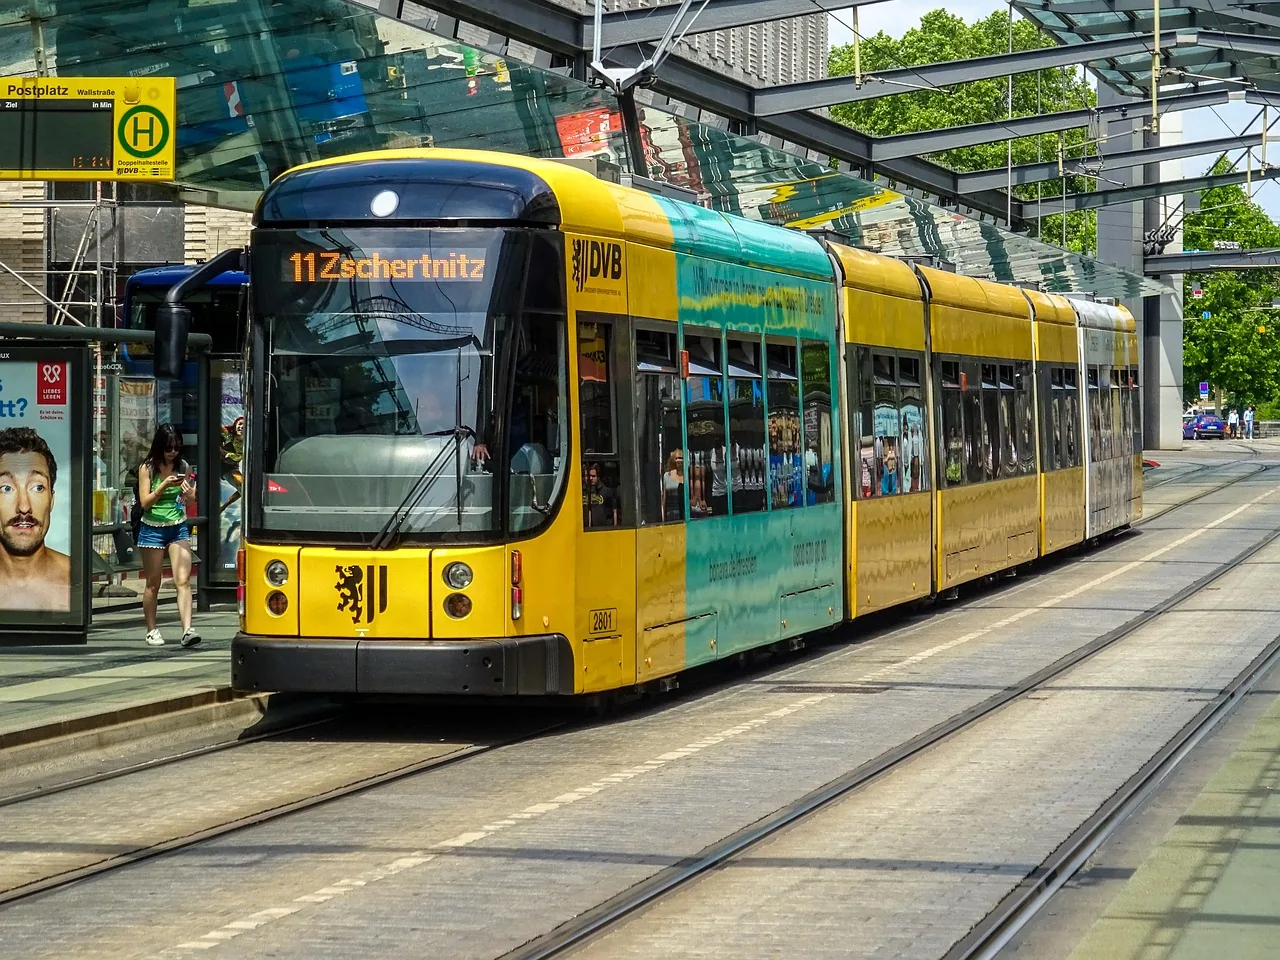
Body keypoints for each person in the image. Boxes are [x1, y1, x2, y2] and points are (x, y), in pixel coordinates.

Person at [137, 424, 199, 647]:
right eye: (169, 448)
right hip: (152, 528)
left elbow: (185, 501)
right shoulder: (148, 468)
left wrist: (190, 495)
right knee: (153, 583)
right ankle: (152, 629)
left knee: (183, 579)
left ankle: (187, 629)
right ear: (159, 447)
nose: (173, 452)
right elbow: (144, 503)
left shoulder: (182, 465)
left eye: (177, 447)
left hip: (177, 526)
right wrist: (162, 486)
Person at [0, 427, 70, 612]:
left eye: (37, 487)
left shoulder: (74, 578)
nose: (24, 507)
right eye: (6, 488)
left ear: (52, 499)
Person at [582, 462, 618, 528]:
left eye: (593, 476)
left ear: (598, 477)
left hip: (603, 530)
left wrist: (615, 527)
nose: (590, 478)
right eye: (587, 476)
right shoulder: (579, 492)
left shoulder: (606, 491)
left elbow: (614, 510)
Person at [661, 449, 684, 521]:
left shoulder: (687, 475)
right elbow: (664, 498)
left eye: (681, 458)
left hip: (685, 516)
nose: (678, 460)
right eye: (676, 458)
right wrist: (663, 518)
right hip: (671, 515)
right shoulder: (667, 476)